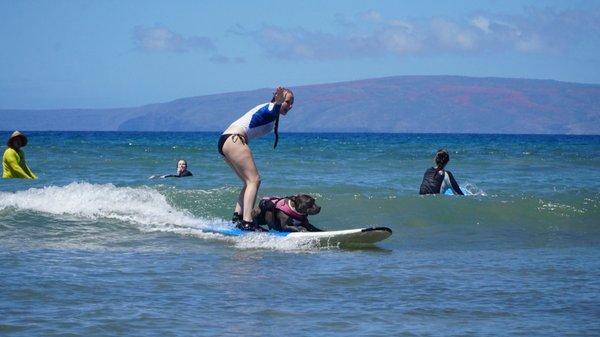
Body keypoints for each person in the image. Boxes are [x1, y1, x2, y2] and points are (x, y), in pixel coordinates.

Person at [218, 86, 294, 231]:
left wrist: (279, 102)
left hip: (225, 141)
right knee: (254, 180)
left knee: (248, 182)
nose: (290, 106)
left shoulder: (270, 111)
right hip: (235, 139)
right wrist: (278, 101)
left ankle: (238, 218)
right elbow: (273, 108)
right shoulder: (271, 108)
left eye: (292, 104)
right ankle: (247, 222)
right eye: (288, 102)